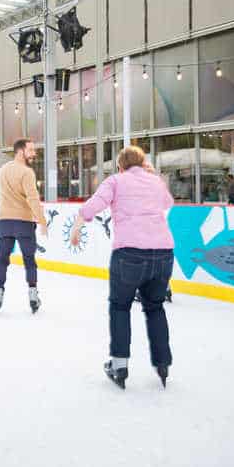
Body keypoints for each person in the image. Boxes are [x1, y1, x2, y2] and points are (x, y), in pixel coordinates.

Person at [70, 146, 175, 390]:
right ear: (143, 163)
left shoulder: (116, 181)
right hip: (163, 255)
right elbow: (167, 202)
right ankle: (163, 364)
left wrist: (77, 224)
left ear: (120, 166)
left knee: (120, 307)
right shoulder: (155, 182)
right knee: (155, 307)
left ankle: (119, 365)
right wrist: (154, 176)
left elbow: (93, 205)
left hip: (129, 255)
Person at [0, 138, 48, 314]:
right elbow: (32, 198)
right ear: (19, 151)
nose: (34, 153)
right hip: (23, 222)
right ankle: (33, 294)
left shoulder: (2, 170)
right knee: (29, 261)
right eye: (30, 150)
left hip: (4, 221)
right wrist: (42, 221)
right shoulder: (27, 172)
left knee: (2, 260)